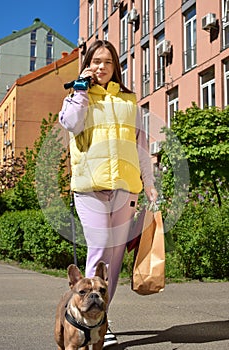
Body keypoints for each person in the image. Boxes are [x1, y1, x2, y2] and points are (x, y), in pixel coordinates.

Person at [59, 40, 158, 348]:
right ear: (87, 64)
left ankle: (101, 322)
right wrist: (80, 91)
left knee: (112, 263)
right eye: (96, 61)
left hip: (125, 188)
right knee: (99, 249)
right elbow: (71, 124)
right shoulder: (78, 97)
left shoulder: (129, 101)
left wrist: (150, 182)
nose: (101, 67)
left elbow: (139, 146)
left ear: (116, 66)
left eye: (107, 62)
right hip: (91, 189)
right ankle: (85, 319)